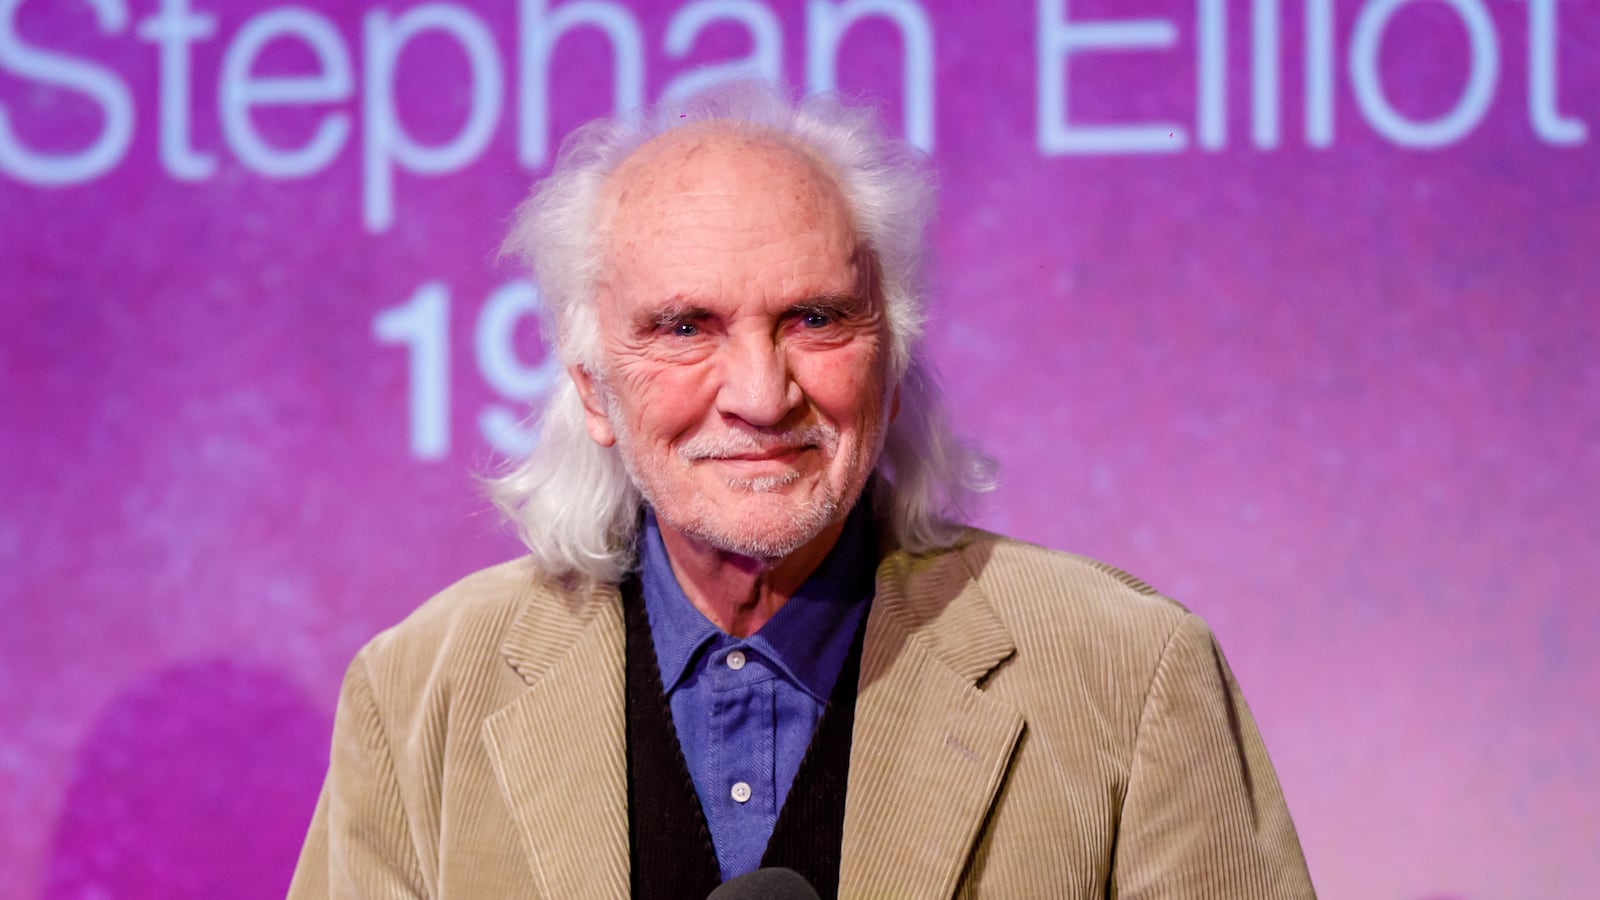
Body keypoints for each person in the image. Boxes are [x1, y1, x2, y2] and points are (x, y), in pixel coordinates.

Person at [288, 84, 1315, 899]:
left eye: (814, 318)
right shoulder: (421, 694)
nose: (759, 394)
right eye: (685, 327)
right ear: (591, 389)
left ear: (894, 362)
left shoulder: (1124, 674)